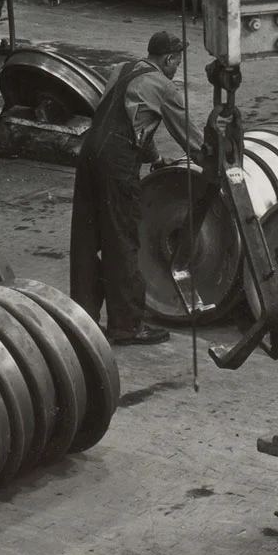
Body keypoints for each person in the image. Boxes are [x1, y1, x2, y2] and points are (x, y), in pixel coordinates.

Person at [71, 30, 201, 345]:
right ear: (168, 59)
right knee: (121, 240)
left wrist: (154, 158)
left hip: (88, 152)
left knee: (87, 238)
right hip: (116, 161)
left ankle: (82, 321)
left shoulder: (122, 69)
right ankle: (126, 327)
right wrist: (215, 162)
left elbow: (128, 119)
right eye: (177, 62)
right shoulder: (163, 86)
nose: (177, 68)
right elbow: (189, 136)